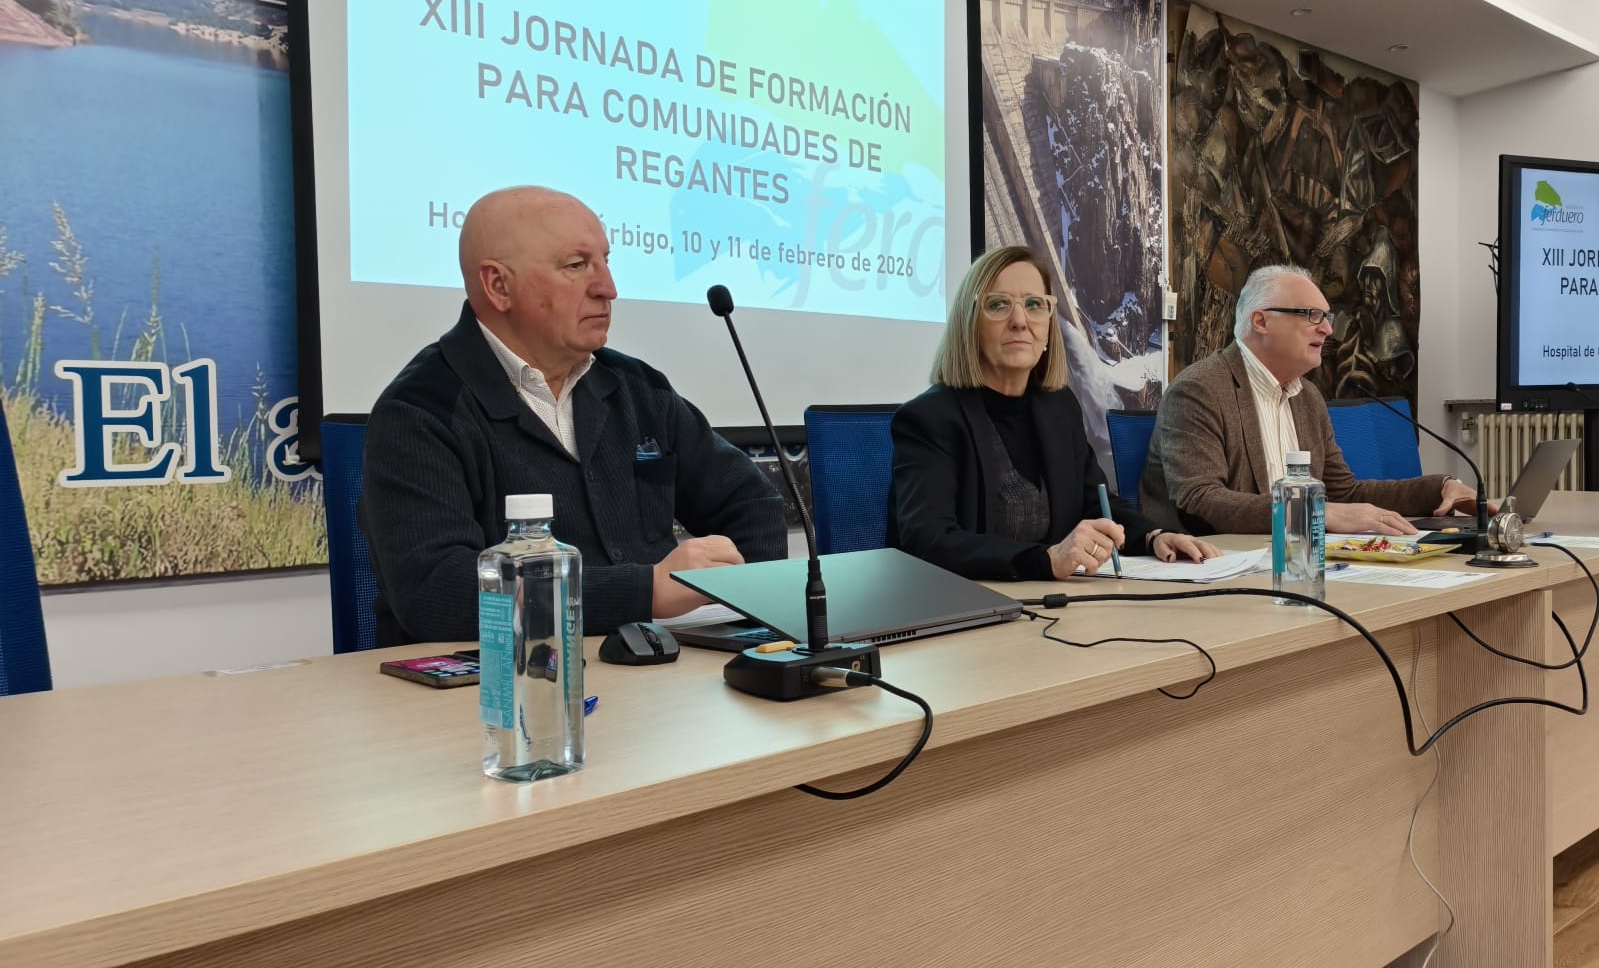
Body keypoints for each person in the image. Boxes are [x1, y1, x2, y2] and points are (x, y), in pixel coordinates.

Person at [359, 185, 786, 645]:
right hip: (500, 691)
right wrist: (646, 592)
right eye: (576, 265)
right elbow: (435, 590)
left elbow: (751, 505)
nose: (608, 288)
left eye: (606, 260)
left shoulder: (638, 388)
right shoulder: (420, 411)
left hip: (653, 671)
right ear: (498, 285)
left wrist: (740, 616)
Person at [890, 246, 1220, 580]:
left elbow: (1096, 503)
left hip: (1054, 608)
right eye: (998, 304)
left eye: (1034, 305)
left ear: (1049, 327)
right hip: (970, 611)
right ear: (969, 324)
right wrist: (1045, 559)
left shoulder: (1059, 407)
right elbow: (928, 540)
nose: (1020, 321)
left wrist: (1154, 536)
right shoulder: (929, 418)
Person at [1140, 264, 1478, 536]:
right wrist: (1316, 511)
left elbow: (1344, 495)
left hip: (1301, 561)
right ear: (1261, 321)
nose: (1328, 330)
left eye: (1326, 318)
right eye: (1312, 315)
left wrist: (1443, 488)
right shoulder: (1200, 390)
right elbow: (1200, 501)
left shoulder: (1307, 397)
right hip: (1214, 563)